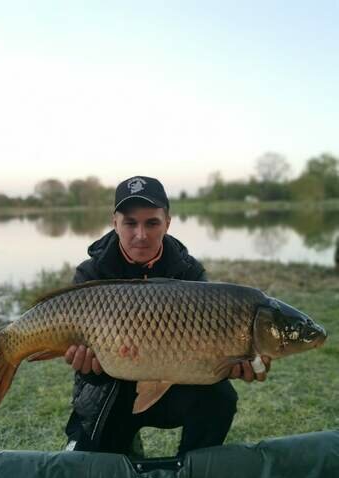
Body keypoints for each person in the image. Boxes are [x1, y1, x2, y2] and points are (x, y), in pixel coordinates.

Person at [64, 176, 270, 455]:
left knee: (220, 398)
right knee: (91, 471)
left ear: (167, 223)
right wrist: (89, 369)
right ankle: (120, 441)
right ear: (115, 223)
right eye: (130, 223)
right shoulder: (91, 274)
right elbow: (86, 372)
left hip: (174, 387)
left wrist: (235, 362)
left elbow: (210, 344)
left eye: (152, 223)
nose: (141, 234)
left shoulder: (189, 272)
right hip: (109, 392)